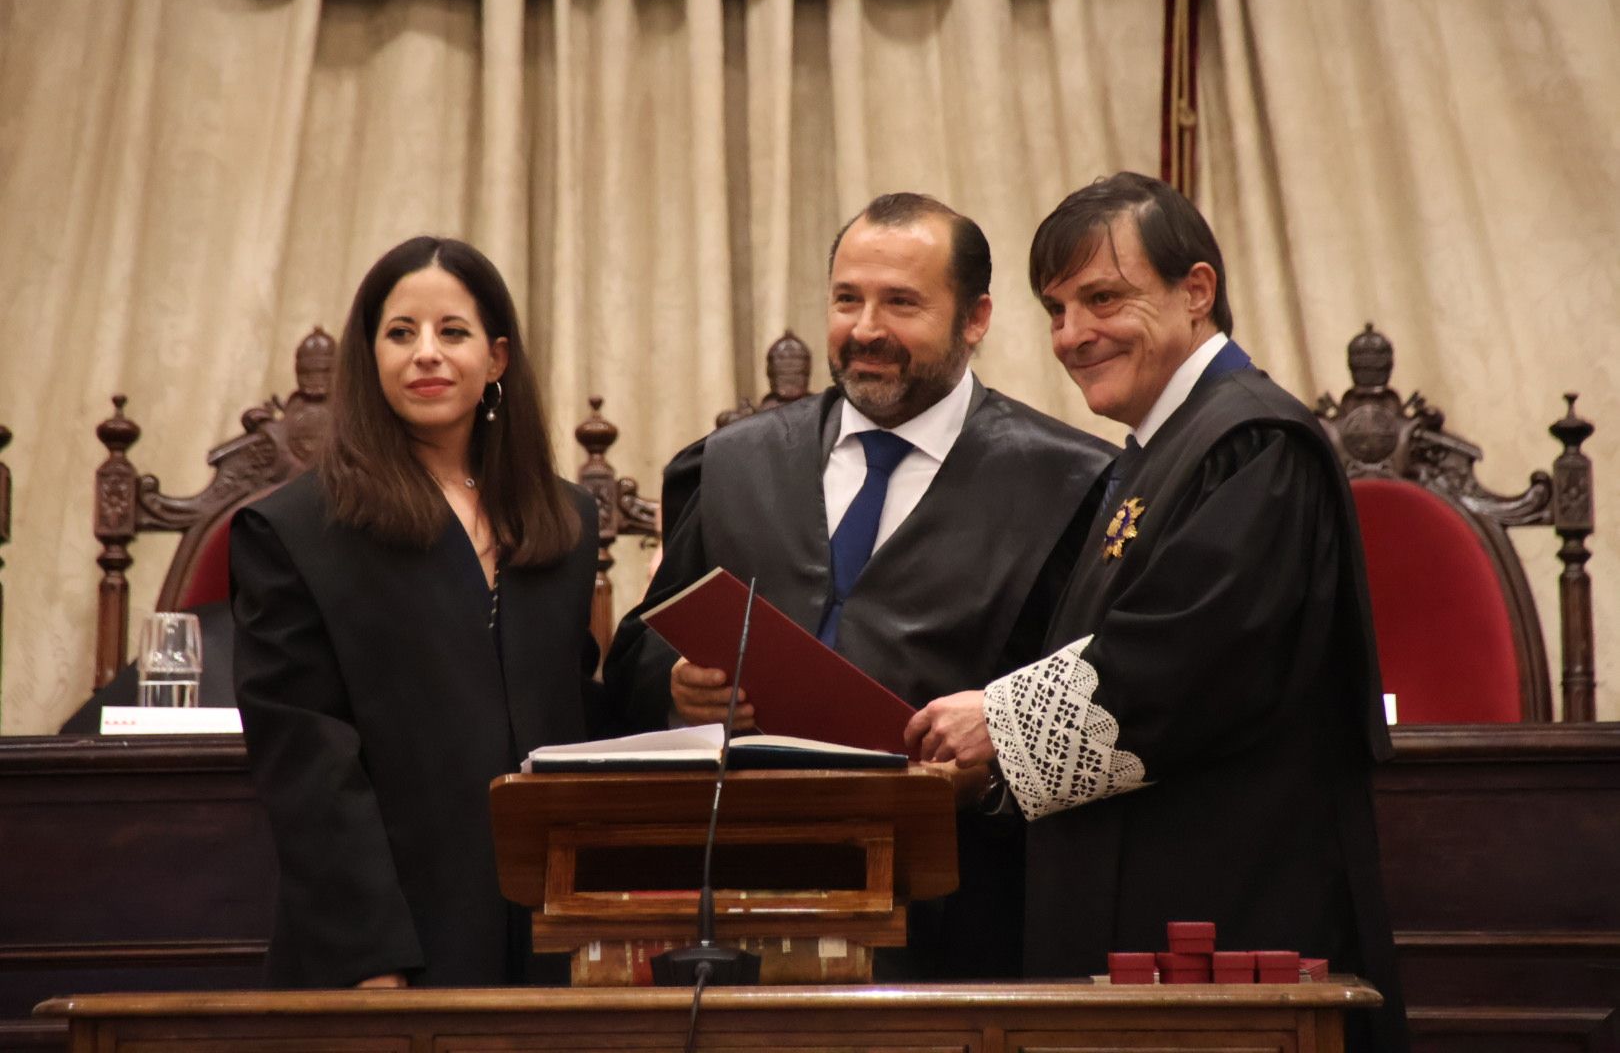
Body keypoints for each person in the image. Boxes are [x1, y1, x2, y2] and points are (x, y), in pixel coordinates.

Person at [905, 172, 1406, 1050]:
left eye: (1103, 298)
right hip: (1153, 917)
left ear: (1196, 292)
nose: (1072, 335)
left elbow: (1194, 658)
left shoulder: (1254, 442)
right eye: (1056, 309)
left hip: (1234, 931)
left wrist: (1000, 725)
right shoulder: (1160, 452)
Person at [604, 192, 1116, 978]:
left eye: (901, 303)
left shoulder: (1070, 485)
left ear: (975, 318)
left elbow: (1097, 699)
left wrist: (991, 757)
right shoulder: (732, 465)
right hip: (746, 901)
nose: (866, 328)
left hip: (968, 918)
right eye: (848, 299)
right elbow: (638, 653)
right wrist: (677, 684)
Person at [232, 236, 603, 989]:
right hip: (385, 940)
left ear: (496, 359)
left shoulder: (562, 519)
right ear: (368, 357)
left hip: (549, 937)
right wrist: (372, 956)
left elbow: (575, 717)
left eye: (452, 332)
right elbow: (310, 767)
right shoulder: (299, 530)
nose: (426, 354)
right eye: (401, 333)